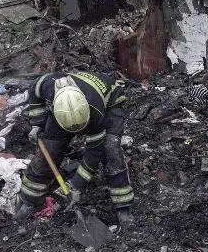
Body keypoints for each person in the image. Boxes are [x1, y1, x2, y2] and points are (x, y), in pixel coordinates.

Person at [14, 72, 134, 224]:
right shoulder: (48, 86)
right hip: (65, 112)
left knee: (110, 148)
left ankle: (122, 206)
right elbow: (34, 91)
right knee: (50, 150)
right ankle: (30, 200)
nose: (77, 135)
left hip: (109, 101)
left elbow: (94, 153)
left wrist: (77, 185)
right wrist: (37, 124)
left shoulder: (96, 111)